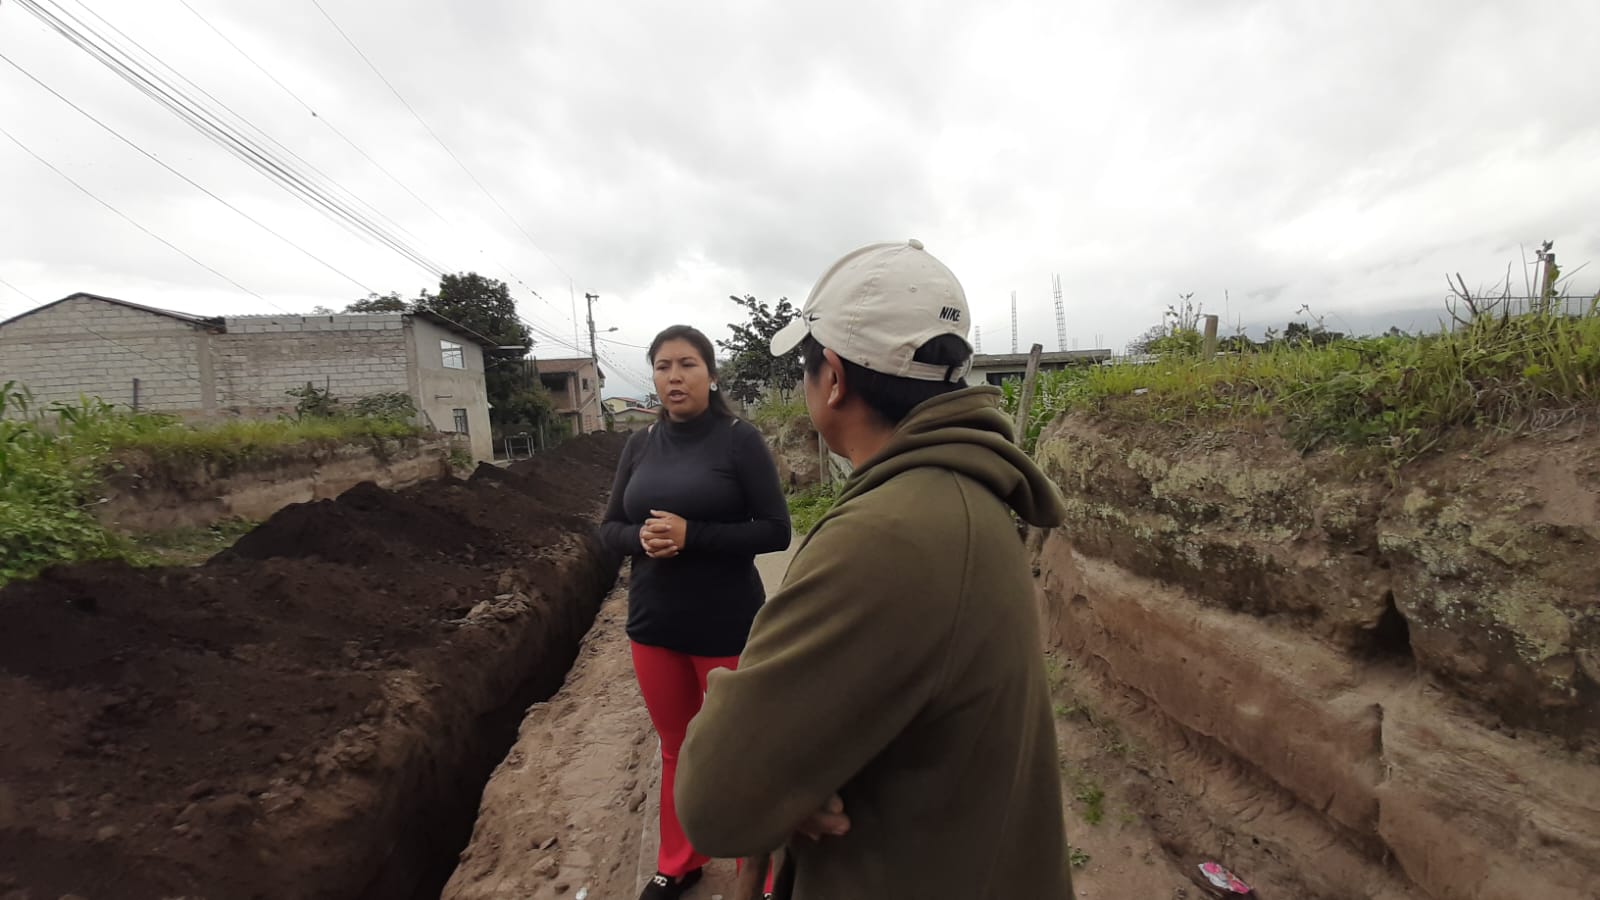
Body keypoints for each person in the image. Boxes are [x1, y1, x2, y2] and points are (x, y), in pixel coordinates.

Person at [674, 240, 1073, 898]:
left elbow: (715, 799)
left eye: (805, 369)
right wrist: (787, 785)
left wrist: (772, 780)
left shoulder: (886, 536)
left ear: (832, 377)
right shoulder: (960, 490)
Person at [598, 324, 792, 900]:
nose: (674, 377)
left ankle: (762, 872)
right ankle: (679, 860)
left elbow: (776, 530)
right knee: (675, 747)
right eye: (663, 366)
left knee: (743, 749)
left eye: (687, 364)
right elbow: (609, 529)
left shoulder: (738, 441)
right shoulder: (639, 444)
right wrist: (641, 539)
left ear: (711, 374)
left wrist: (693, 535)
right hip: (654, 624)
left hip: (728, 625)